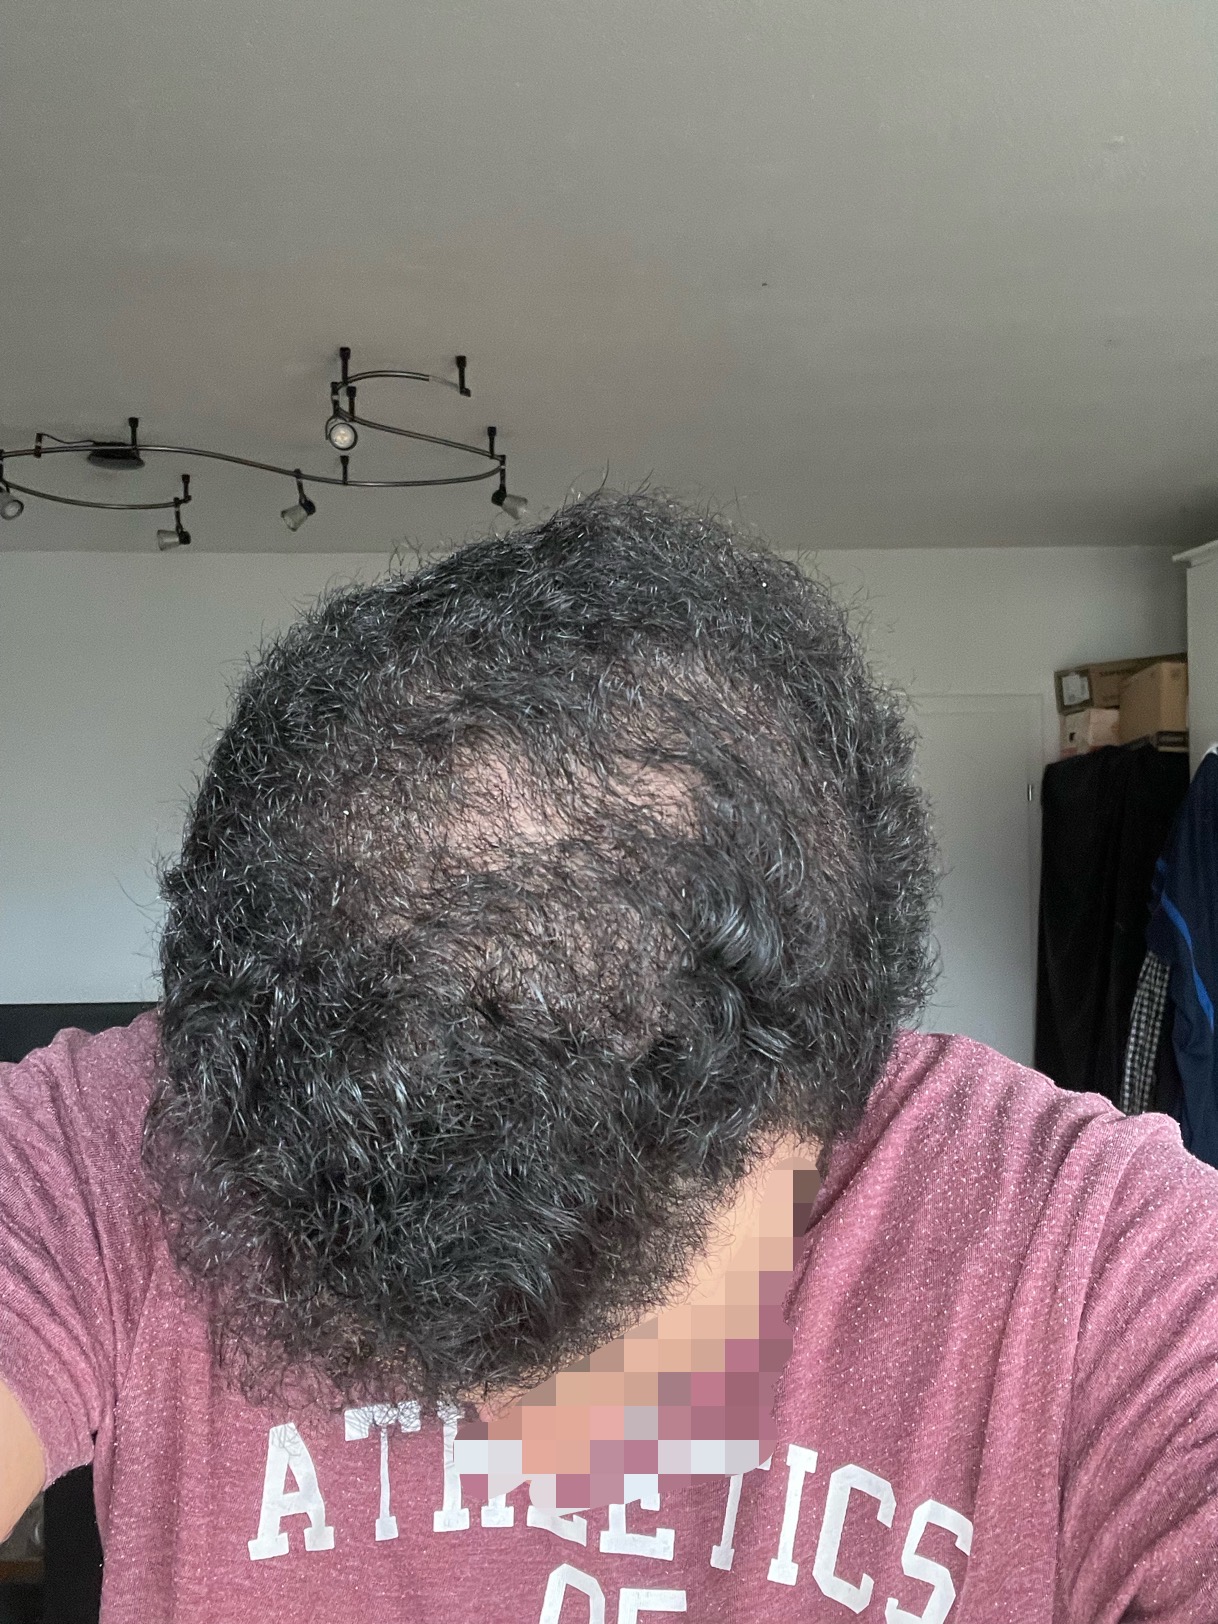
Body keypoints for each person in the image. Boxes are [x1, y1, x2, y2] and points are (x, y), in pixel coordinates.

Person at [1, 489, 1216, 1622]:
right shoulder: (126, 1141)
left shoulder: (1104, 1265)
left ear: (818, 1084)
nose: (506, 1436)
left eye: (597, 1334)